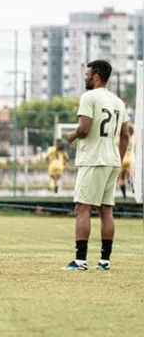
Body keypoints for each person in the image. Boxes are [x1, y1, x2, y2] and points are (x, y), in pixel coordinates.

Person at [63, 60, 130, 271]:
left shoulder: (88, 97)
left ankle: (80, 261)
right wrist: (118, 160)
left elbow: (84, 128)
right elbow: (125, 136)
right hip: (111, 161)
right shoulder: (118, 102)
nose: (85, 78)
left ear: (97, 77)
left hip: (93, 159)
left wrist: (72, 136)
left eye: (87, 74)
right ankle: (104, 261)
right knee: (106, 210)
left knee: (82, 208)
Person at [117, 124, 135, 198]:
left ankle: (124, 195)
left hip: (122, 159)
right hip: (130, 159)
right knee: (130, 175)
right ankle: (131, 183)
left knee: (121, 178)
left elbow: (117, 146)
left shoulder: (120, 139)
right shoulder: (132, 139)